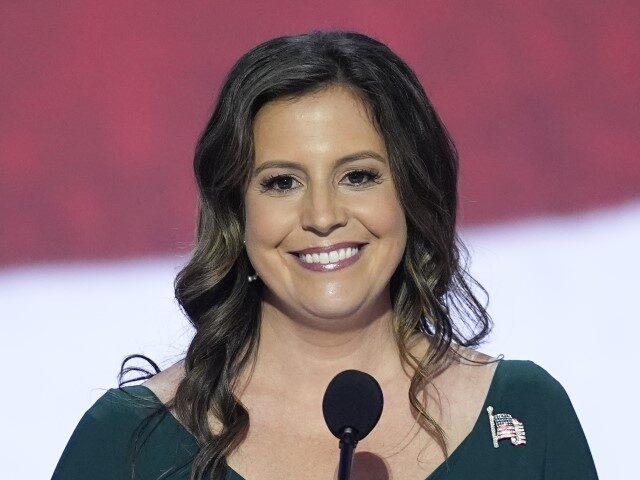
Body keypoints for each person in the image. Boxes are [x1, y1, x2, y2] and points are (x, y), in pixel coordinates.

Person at [51, 30, 599, 480]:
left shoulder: (525, 416)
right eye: (282, 183)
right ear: (237, 214)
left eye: (357, 176)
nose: (322, 215)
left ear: (411, 192)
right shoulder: (126, 442)